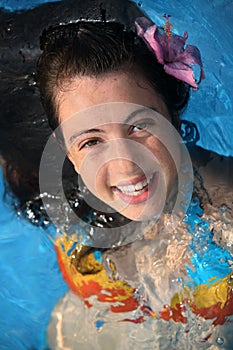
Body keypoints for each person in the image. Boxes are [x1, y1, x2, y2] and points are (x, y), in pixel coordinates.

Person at [0, 0, 232, 348]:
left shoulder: (225, 207)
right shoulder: (45, 183)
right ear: (66, 152)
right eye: (92, 141)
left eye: (140, 125)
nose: (125, 164)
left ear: (173, 118)